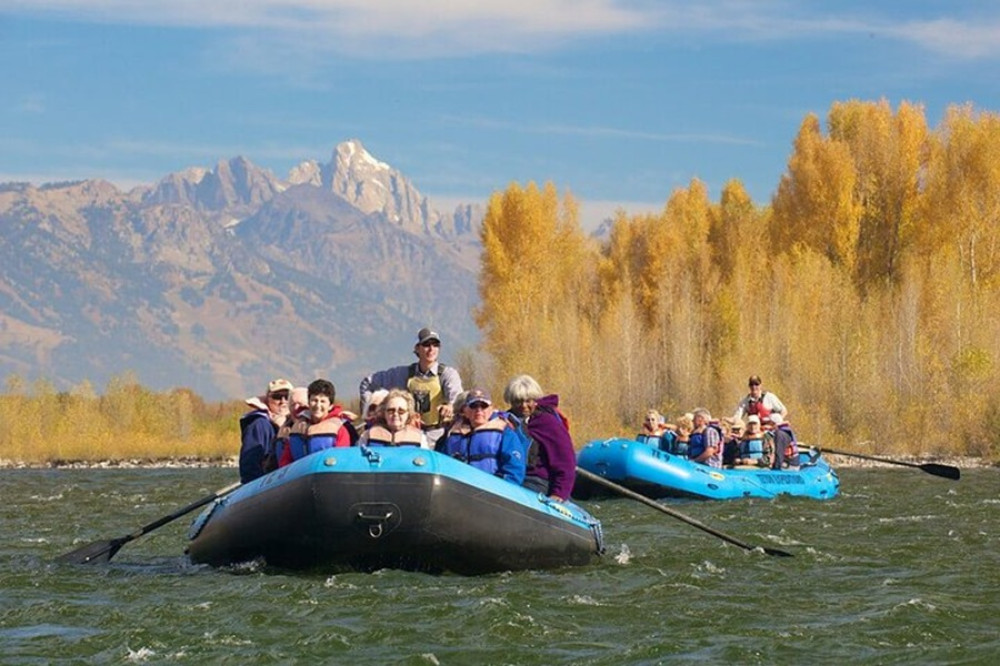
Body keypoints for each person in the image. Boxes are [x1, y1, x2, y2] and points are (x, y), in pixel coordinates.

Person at [359, 327, 464, 443]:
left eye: (435, 345)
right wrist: (370, 411)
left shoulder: (448, 374)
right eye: (426, 344)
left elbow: (459, 400)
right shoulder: (403, 374)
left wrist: (450, 406)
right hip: (409, 437)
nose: (431, 349)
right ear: (417, 348)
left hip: (439, 438)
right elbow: (367, 383)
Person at [504, 375, 577, 501]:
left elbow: (565, 461)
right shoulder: (505, 420)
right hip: (511, 478)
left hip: (537, 482)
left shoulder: (548, 422)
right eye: (518, 401)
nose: (523, 406)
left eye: (528, 401)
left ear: (536, 400)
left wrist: (559, 493)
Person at [436, 388, 526, 485]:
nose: (479, 410)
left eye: (484, 406)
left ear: (491, 409)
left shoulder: (504, 432)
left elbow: (514, 468)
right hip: (456, 488)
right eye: (474, 406)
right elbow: (440, 461)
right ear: (465, 410)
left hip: (490, 490)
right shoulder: (452, 433)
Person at [279, 378, 353, 467]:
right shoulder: (296, 427)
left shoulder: (341, 430)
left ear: (330, 406)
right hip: (298, 476)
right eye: (314, 400)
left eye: (323, 401)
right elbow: (285, 460)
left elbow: (342, 461)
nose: (318, 405)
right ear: (309, 403)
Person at [238, 378, 293, 483]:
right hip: (267, 484)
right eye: (277, 397)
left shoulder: (298, 424)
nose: (283, 401)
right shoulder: (259, 425)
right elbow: (250, 464)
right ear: (268, 399)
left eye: (287, 397)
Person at [357, 389, 430, 448]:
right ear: (384, 413)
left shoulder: (420, 438)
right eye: (391, 410)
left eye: (401, 411)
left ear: (408, 414)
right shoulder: (367, 436)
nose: (395, 414)